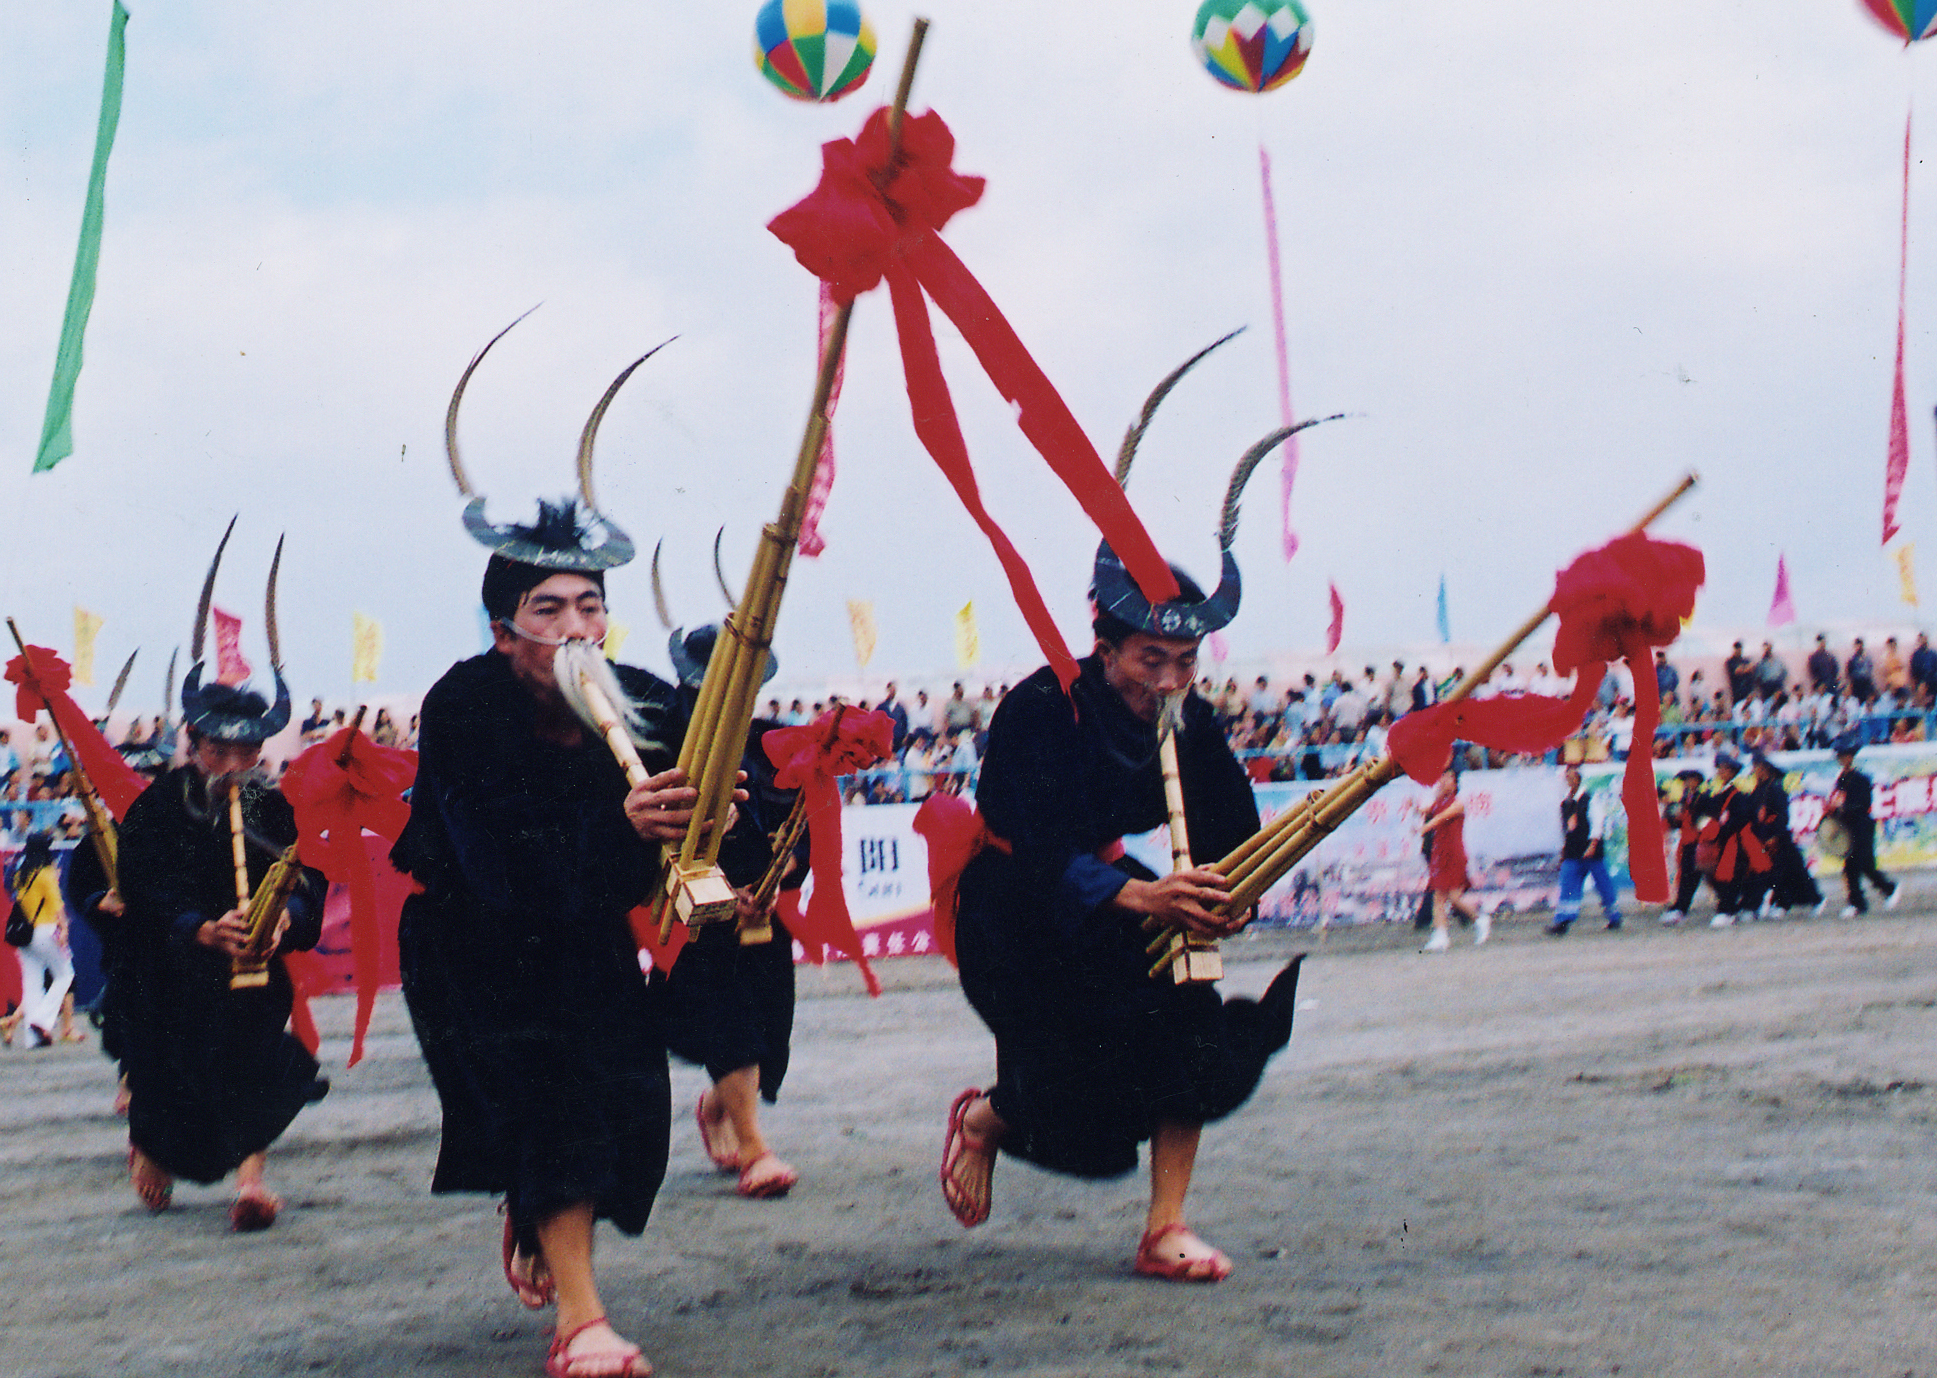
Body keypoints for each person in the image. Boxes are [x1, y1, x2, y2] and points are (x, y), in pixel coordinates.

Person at [395, 337, 753, 1377]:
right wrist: (621, 829)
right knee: (548, 1096)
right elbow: (498, 870)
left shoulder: (641, 696)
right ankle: (581, 1322)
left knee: (628, 1113)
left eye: (589, 604)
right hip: (476, 945)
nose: (573, 627)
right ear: (505, 629)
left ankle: (543, 1219)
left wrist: (712, 809)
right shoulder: (462, 705)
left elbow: (713, 790)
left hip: (589, 941)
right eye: (546, 610)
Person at [935, 383, 1302, 1285]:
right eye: (1150, 660)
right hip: (1020, 907)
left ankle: (1165, 1226)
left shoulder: (1193, 716)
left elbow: (1225, 830)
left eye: (1184, 662)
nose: (1167, 680)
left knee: (1190, 1022)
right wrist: (1138, 894)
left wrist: (1228, 895)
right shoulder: (1038, 709)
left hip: (1129, 893)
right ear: (1105, 648)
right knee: (1071, 1102)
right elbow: (1027, 839)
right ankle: (984, 1119)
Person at [116, 551, 329, 1231]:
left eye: (247, 755)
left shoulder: (273, 805)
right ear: (193, 741)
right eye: (218, 752)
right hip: (173, 972)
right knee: (167, 1078)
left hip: (252, 970)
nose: (233, 766)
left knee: (261, 1064)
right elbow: (144, 888)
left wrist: (285, 921)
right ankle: (150, 1146)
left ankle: (251, 1183)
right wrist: (198, 928)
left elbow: (308, 877)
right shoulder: (158, 807)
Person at [659, 623, 800, 1202]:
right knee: (730, 1027)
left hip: (762, 913)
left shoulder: (770, 743)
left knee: (768, 1033)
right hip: (694, 918)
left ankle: (719, 1107)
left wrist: (778, 877)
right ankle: (755, 1150)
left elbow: (796, 826)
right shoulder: (663, 742)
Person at [3, 832, 78, 1048]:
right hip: (47, 930)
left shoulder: (20, 874)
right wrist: (64, 929)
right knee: (65, 974)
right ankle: (42, 1021)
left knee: (32, 983)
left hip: (25, 933)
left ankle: (32, 1038)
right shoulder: (46, 873)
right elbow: (57, 904)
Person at [1827, 735, 1900, 917]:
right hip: (1848, 827)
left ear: (1851, 757)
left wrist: (1843, 809)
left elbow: (1863, 804)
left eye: (1843, 756)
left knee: (1856, 865)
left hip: (1861, 826)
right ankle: (1885, 890)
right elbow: (1838, 801)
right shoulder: (1840, 780)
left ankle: (1862, 901)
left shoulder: (1861, 779)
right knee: (1860, 865)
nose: (1841, 759)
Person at [1419, 768, 1491, 951]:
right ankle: (1442, 935)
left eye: (1448, 779)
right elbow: (1425, 810)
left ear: (1455, 783)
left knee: (1451, 897)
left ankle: (1479, 919)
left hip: (1454, 854)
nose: (1444, 782)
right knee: (1440, 897)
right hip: (1440, 853)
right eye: (1442, 778)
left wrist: (1424, 828)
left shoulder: (1458, 804)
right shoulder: (1437, 802)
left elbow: (1441, 818)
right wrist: (1415, 807)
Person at [1745, 752, 1820, 918]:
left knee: (1792, 872)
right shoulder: (1758, 790)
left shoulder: (1776, 788)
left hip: (1778, 837)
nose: (1755, 771)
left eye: (1757, 768)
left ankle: (1812, 900)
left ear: (1765, 770)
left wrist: (1776, 836)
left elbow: (1782, 815)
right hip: (1763, 837)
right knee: (1772, 873)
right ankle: (1777, 903)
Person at [1547, 766, 1620, 935]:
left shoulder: (1589, 798)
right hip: (1572, 849)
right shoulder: (1566, 802)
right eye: (1566, 778)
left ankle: (1614, 916)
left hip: (1589, 848)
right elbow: (1564, 828)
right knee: (1568, 882)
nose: (1568, 781)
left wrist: (1593, 844)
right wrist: (1563, 849)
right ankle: (1563, 920)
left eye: (1571, 778)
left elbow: (1597, 822)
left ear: (1578, 779)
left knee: (1602, 883)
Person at [1701, 750, 1767, 927]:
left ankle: (1728, 910)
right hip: (1729, 840)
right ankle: (1743, 907)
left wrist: (1722, 830)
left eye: (1722, 769)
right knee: (1734, 877)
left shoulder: (1738, 792)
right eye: (1719, 769)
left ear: (1730, 771)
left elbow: (1741, 817)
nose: (1719, 772)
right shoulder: (1722, 792)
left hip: (1738, 841)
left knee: (1731, 877)